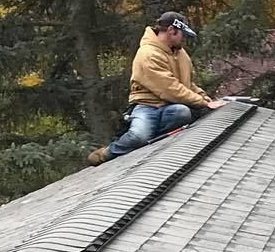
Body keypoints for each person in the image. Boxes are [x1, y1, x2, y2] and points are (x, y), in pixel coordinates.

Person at [87, 13, 225, 164]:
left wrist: (206, 99)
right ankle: (106, 154)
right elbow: (170, 88)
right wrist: (203, 103)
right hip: (147, 106)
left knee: (183, 113)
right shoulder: (148, 54)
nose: (183, 39)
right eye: (182, 34)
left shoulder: (181, 54)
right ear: (171, 30)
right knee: (139, 136)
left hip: (169, 106)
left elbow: (188, 84)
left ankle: (151, 138)